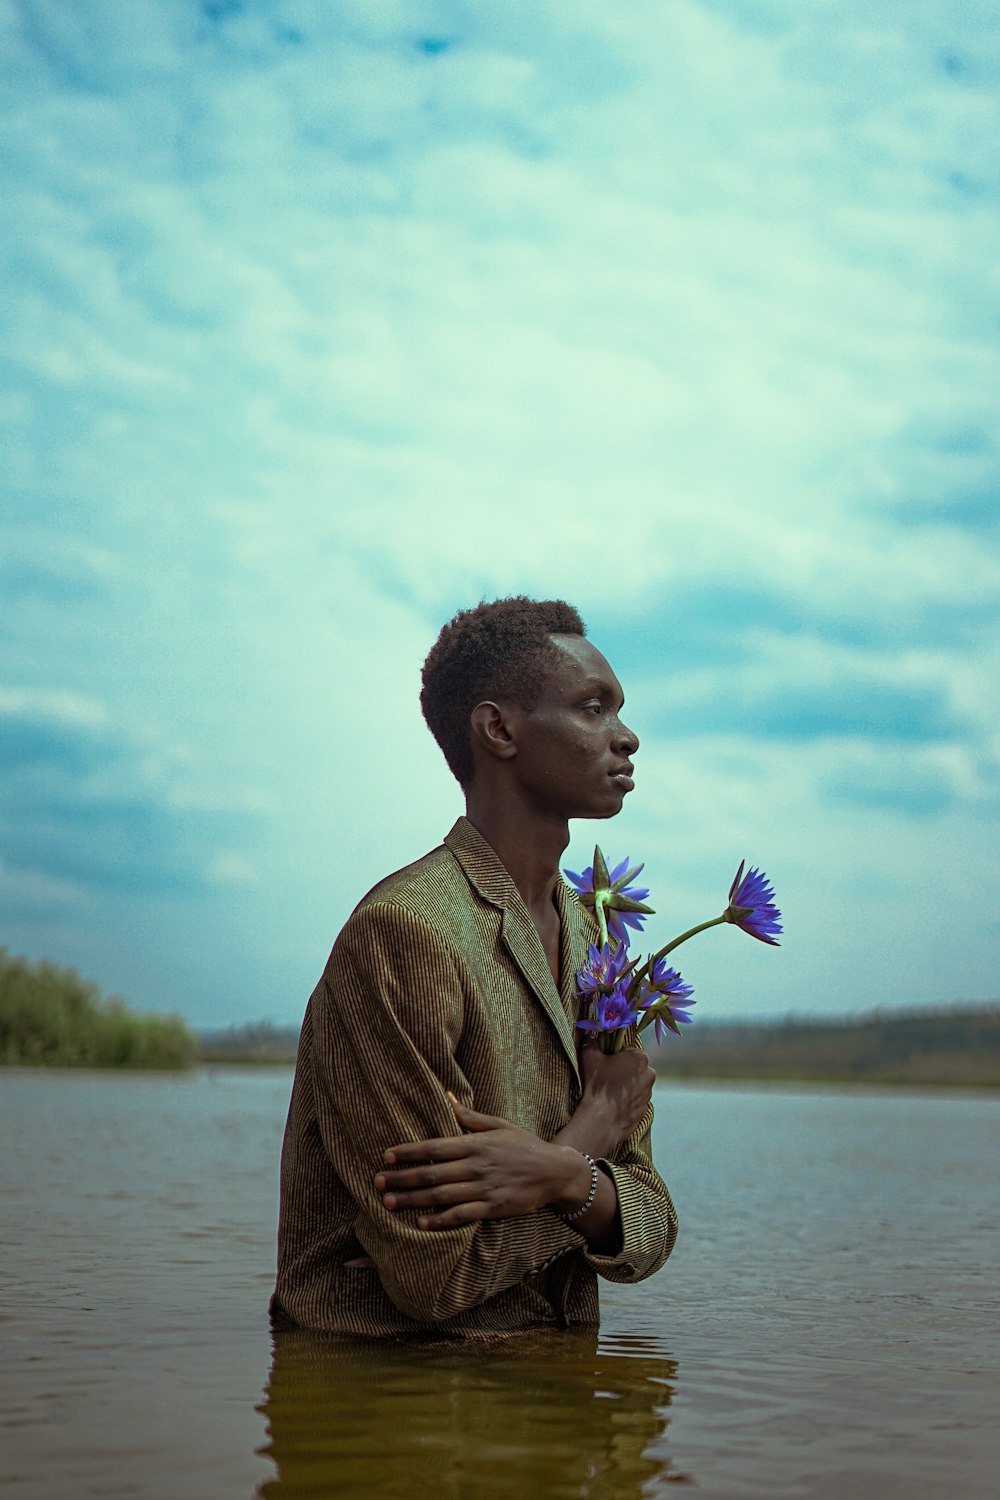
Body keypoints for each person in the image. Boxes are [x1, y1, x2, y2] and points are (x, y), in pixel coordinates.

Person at [271, 597, 678, 1337]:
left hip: (540, 1395)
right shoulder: (403, 934)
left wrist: (559, 1177)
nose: (627, 737)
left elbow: (652, 1228)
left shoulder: (600, 949)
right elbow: (437, 1272)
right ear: (499, 730)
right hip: (392, 1405)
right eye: (593, 708)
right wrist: (584, 1153)